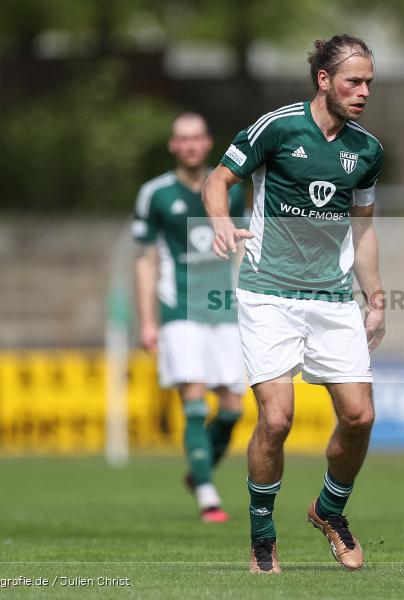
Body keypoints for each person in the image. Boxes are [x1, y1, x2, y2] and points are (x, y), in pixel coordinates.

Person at [203, 34, 385, 573]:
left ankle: (329, 510)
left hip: (332, 298)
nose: (364, 92)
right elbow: (218, 180)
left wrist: (375, 297)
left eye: (369, 83)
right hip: (268, 293)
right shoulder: (278, 128)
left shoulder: (368, 151)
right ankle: (262, 538)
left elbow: (364, 229)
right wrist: (221, 223)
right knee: (277, 419)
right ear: (324, 80)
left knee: (360, 416)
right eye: (353, 81)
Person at [133, 112, 248, 523]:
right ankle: (207, 495)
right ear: (173, 145)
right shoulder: (156, 194)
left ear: (207, 141)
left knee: (233, 406)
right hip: (179, 309)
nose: (190, 145)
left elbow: (240, 247)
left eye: (196, 137)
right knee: (195, 399)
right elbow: (146, 259)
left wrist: (248, 302)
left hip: (223, 308)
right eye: (182, 138)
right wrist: (148, 321)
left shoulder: (232, 189)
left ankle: (199, 469)